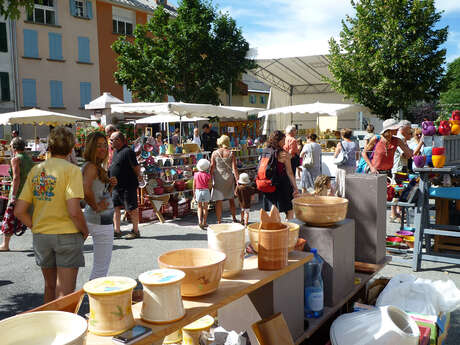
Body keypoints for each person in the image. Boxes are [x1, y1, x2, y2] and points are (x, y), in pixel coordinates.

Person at [14, 127, 88, 303]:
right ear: (71, 149)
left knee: (49, 287)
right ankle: (64, 330)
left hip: (42, 236)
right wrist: (85, 230)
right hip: (67, 234)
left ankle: (48, 328)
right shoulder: (72, 171)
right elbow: (74, 210)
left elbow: (19, 211)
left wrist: (36, 226)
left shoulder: (36, 170)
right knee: (65, 293)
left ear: (50, 147)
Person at [82, 132, 118, 280]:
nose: (103, 149)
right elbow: (85, 190)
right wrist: (96, 206)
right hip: (100, 221)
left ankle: (92, 299)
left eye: (105, 145)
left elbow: (100, 193)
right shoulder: (91, 166)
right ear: (91, 147)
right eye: (98, 146)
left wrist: (110, 187)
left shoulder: (93, 166)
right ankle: (93, 300)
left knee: (99, 268)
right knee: (101, 270)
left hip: (97, 219)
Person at [0, 138, 33, 251]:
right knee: (30, 218)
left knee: (9, 218)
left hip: (18, 192)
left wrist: (13, 196)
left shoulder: (16, 159)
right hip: (28, 192)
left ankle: (5, 245)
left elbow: (16, 177)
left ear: (13, 147)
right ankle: (40, 242)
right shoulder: (28, 159)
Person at [109, 131, 143, 239]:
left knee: (132, 208)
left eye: (111, 140)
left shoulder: (128, 152)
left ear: (118, 140)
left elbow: (136, 167)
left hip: (128, 185)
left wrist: (140, 177)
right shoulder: (115, 151)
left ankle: (135, 231)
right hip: (116, 187)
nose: (110, 141)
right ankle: (117, 230)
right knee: (116, 208)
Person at [262, 130, 299, 220]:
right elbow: (290, 173)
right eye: (283, 140)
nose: (284, 142)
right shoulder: (283, 154)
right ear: (278, 141)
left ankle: (274, 230)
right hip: (282, 186)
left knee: (273, 211)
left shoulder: (265, 151)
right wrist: (295, 187)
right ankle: (288, 229)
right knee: (289, 210)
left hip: (269, 184)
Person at [210, 135, 239, 224]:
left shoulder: (214, 153)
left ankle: (219, 220)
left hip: (218, 178)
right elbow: (234, 168)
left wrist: (210, 179)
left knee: (218, 201)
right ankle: (234, 218)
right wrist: (237, 181)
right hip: (229, 178)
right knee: (231, 199)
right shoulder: (231, 153)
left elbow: (212, 167)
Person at [334, 128, 359, 197]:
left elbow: (335, 155)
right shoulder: (355, 144)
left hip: (342, 166)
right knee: (350, 184)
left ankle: (341, 199)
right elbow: (357, 157)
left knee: (341, 184)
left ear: (342, 135)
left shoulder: (340, 144)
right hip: (352, 166)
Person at [193, 159, 211, 230]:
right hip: (206, 191)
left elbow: (194, 185)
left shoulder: (196, 174)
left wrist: (194, 193)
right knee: (205, 207)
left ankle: (199, 221)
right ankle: (204, 222)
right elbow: (210, 186)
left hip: (198, 191)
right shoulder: (208, 175)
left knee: (199, 207)